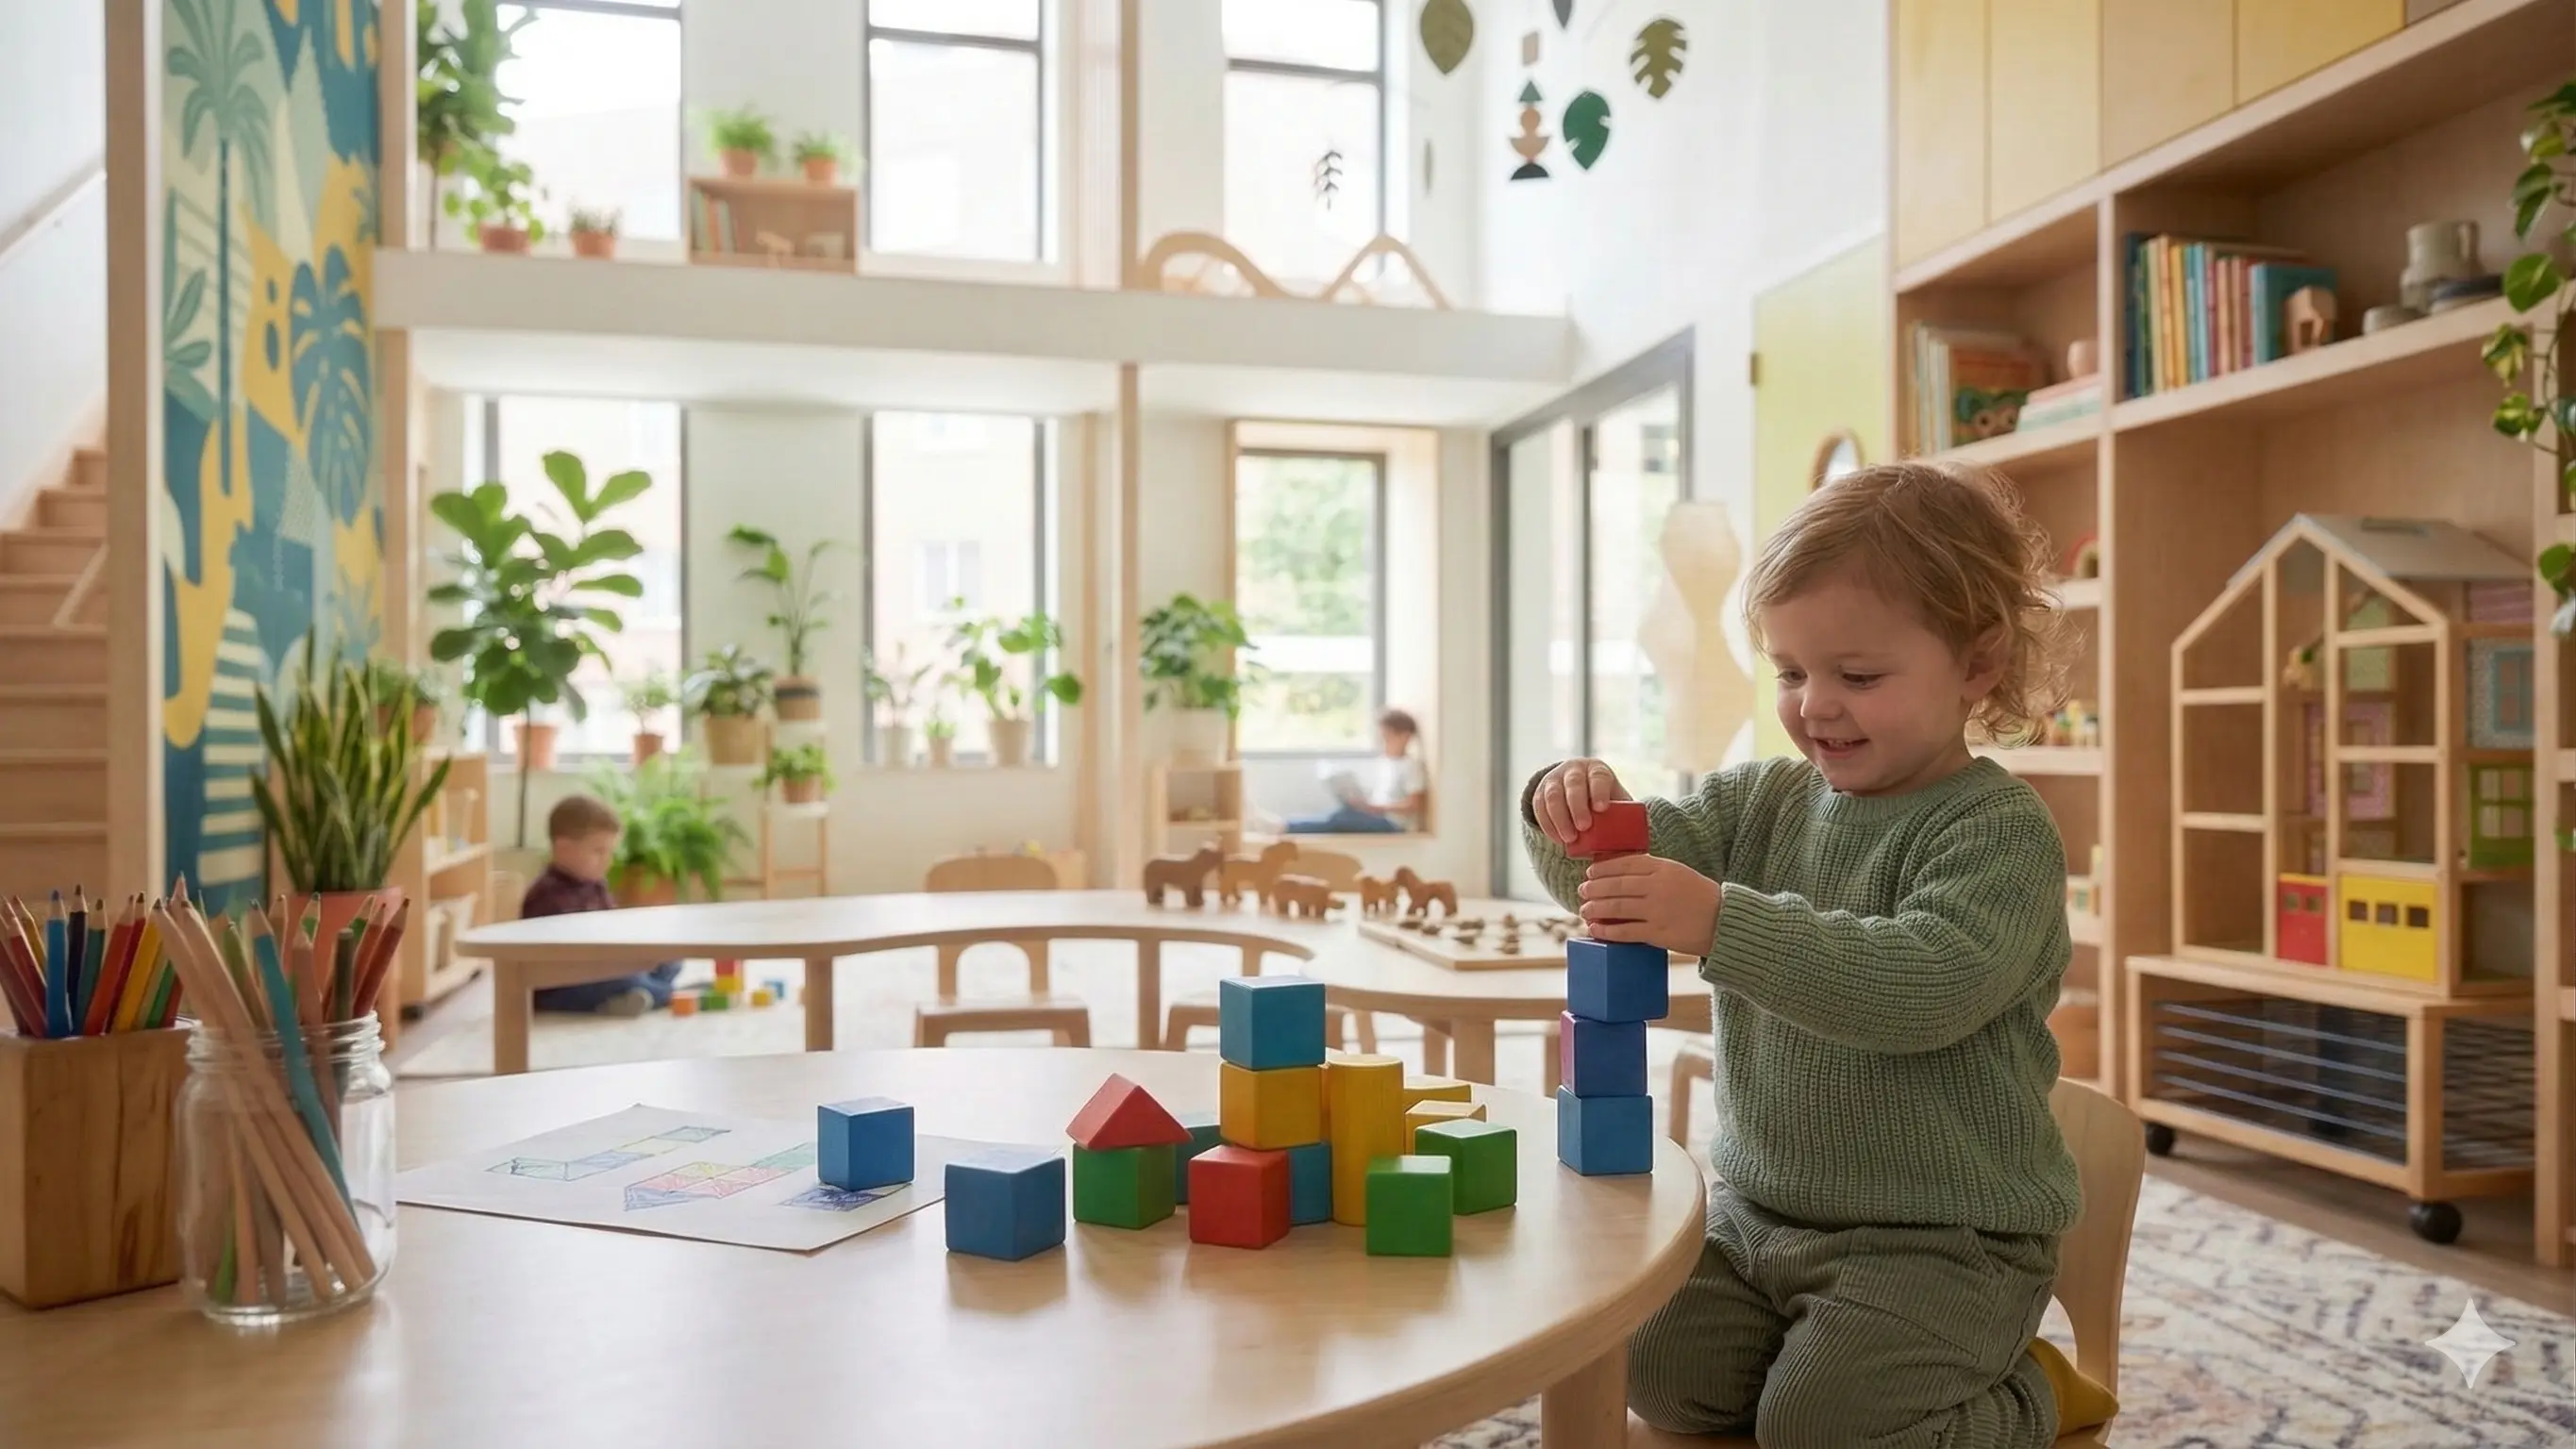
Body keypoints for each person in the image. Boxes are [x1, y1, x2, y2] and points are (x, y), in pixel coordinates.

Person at [1523, 462, 2118, 1446]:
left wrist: (1721, 924)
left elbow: (1921, 983)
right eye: (1793, 673)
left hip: (1944, 1241)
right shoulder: (1763, 798)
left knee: (1820, 1428)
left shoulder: (1999, 830)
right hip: (1762, 1217)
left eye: (1859, 676)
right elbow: (1614, 873)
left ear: (1978, 665)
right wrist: (1566, 805)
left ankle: (2034, 1395)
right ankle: (1830, 1367)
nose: (1815, 706)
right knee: (1645, 1367)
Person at [522, 793, 683, 1017]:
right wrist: (621, 963)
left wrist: (640, 951)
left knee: (671, 961)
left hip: (601, 967)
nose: (608, 860)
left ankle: (629, 997)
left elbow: (611, 927)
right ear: (563, 849)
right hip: (562, 984)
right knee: (628, 979)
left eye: (610, 852)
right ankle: (670, 994)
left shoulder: (595, 884)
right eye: (598, 852)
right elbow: (573, 957)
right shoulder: (549, 896)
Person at [1288, 708, 1429, 834]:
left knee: (1341, 817)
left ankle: (1287, 827)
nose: (1382, 742)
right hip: (1378, 816)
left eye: (1386, 737)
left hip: (1395, 824)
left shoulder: (1411, 766)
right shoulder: (1385, 762)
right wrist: (1361, 802)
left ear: (1405, 736)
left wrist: (1377, 808)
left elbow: (1414, 805)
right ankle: (1288, 824)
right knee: (1341, 812)